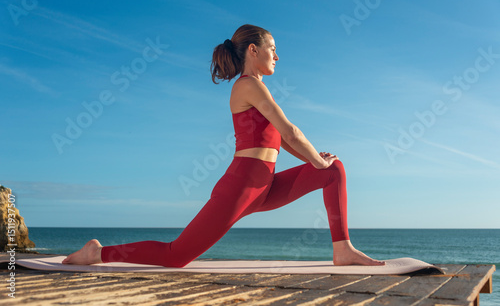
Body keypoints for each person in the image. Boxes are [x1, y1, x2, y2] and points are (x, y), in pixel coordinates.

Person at [63, 24, 385, 267]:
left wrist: (319, 162)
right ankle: (98, 252)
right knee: (176, 256)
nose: (277, 55)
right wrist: (316, 160)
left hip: (265, 185)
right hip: (241, 186)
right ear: (253, 51)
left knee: (335, 171)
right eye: (272, 48)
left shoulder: (259, 89)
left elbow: (282, 141)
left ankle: (342, 248)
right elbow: (291, 131)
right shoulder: (247, 86)